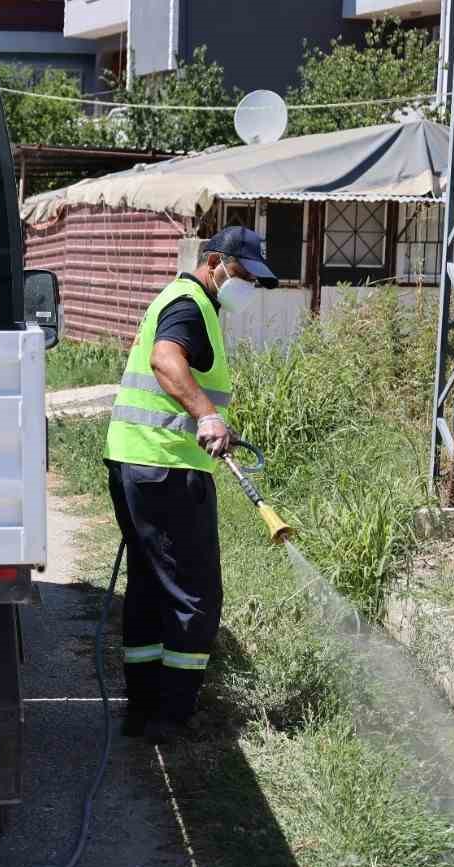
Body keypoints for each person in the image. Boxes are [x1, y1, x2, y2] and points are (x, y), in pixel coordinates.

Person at [103, 226, 270, 742]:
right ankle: (173, 716)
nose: (247, 285)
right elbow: (165, 360)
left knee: (151, 588)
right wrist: (207, 415)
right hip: (165, 469)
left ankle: (143, 708)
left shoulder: (189, 302)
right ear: (216, 261)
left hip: (138, 463)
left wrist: (207, 417)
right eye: (242, 273)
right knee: (194, 594)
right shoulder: (189, 303)